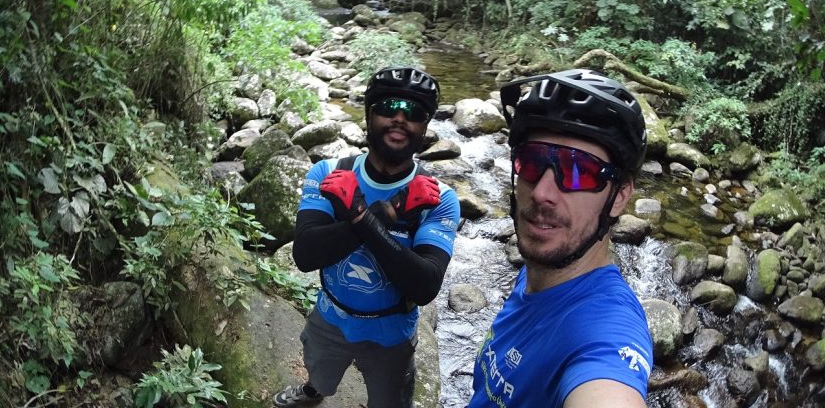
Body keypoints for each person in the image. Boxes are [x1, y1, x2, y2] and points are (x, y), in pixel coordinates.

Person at [274, 66, 461, 408]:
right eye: (389, 107)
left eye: (415, 112)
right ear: (369, 114)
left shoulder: (438, 197)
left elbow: (424, 286)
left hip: (392, 335)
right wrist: (387, 212)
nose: (400, 118)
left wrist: (360, 214)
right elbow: (305, 255)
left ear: (425, 126)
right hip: (331, 316)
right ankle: (314, 391)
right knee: (319, 369)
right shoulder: (329, 173)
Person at [468, 68, 654, 408]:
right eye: (532, 161)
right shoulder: (539, 269)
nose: (542, 192)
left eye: (578, 170)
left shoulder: (604, 333)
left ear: (620, 195)